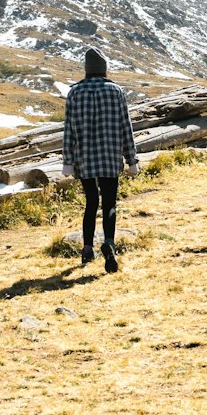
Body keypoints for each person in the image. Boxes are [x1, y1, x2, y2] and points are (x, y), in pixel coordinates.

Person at [62, 47, 139, 273]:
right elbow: (126, 128)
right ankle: (109, 243)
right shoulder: (116, 91)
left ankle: (87, 248)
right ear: (104, 70)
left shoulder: (74, 94)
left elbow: (69, 131)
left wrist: (68, 160)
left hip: (84, 158)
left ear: (87, 71)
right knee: (109, 203)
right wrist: (131, 159)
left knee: (91, 202)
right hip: (110, 156)